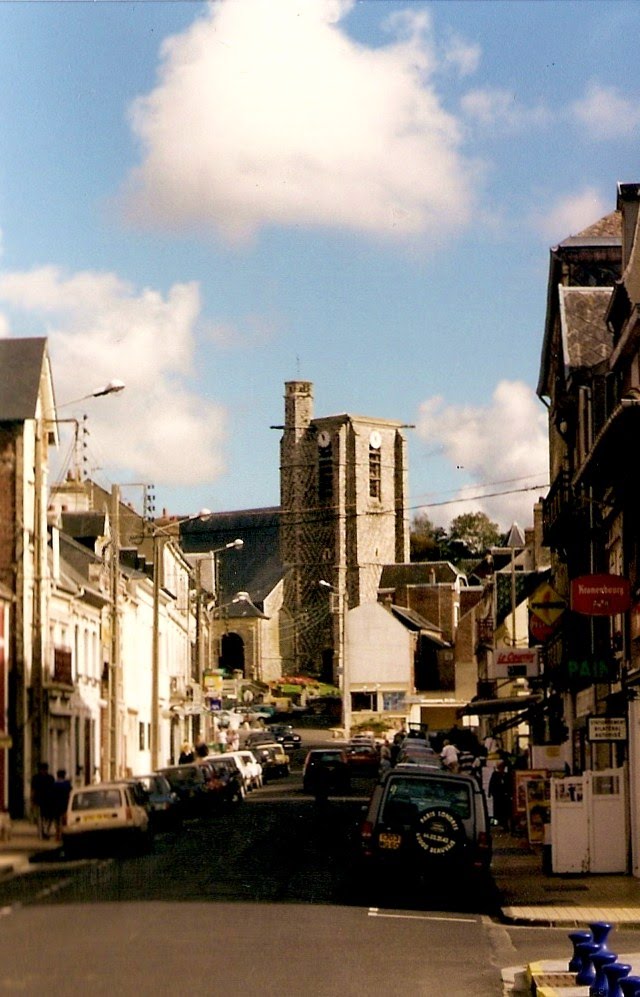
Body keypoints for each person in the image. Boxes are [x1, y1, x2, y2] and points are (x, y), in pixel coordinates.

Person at [30, 762, 55, 839]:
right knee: (43, 818)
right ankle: (44, 832)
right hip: (43, 801)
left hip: (43, 800)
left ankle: (44, 832)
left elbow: (33, 790)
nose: (44, 771)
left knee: (44, 818)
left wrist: (32, 801)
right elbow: (33, 790)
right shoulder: (50, 778)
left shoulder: (36, 778)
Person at [488, 760, 512, 830]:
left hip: (505, 796)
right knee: (497, 811)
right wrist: (490, 793)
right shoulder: (495, 774)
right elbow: (491, 784)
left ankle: (505, 824)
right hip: (497, 796)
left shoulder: (506, 775)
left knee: (505, 811)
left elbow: (509, 785)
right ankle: (498, 823)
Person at [51, 769, 72, 839]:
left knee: (57, 821)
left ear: (57, 775)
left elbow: (52, 795)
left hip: (56, 804)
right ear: (64, 775)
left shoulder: (54, 784)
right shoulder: (67, 784)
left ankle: (57, 834)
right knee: (63, 820)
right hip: (65, 804)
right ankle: (63, 833)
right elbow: (70, 793)